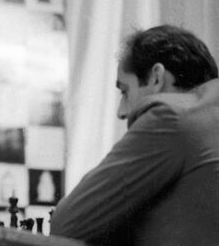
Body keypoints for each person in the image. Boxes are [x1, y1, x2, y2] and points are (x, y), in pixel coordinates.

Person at [50, 25, 219, 246]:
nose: (122, 112)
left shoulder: (170, 118)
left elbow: (66, 224)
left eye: (124, 91)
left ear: (156, 78)